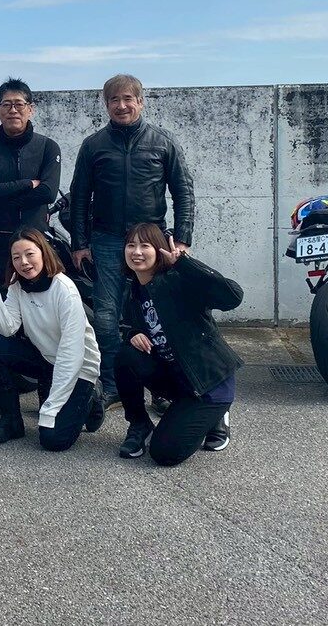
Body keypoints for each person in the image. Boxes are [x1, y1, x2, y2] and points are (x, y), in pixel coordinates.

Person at [68, 74, 194, 407]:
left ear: (140, 101)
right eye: (114, 100)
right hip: (107, 240)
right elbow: (79, 196)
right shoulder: (93, 145)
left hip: (152, 240)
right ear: (106, 104)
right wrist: (79, 243)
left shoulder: (163, 142)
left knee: (159, 315)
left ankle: (162, 388)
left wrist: (182, 238)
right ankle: (113, 386)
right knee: (106, 317)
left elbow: (183, 190)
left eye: (128, 99)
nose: (121, 106)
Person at [0, 77, 61, 421]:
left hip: (36, 247)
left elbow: (47, 192)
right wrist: (25, 185)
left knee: (41, 316)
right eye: (6, 104)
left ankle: (47, 393)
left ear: (31, 108)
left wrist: (2, 190)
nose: (13, 110)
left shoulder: (48, 148)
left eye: (19, 104)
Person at [114, 222, 243, 465]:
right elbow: (132, 324)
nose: (136, 252)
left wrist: (185, 264)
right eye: (131, 245)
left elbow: (233, 296)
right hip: (179, 381)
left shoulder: (178, 280)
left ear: (159, 250)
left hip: (209, 384)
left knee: (165, 454)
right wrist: (133, 333)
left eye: (145, 245)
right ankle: (140, 425)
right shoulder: (134, 290)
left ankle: (217, 415)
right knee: (126, 355)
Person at [0, 229, 104, 451]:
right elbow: (6, 328)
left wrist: (51, 407)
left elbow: (71, 354)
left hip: (78, 367)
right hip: (45, 358)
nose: (24, 262)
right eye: (16, 257)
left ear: (44, 253)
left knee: (53, 440)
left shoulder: (64, 290)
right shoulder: (18, 286)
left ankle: (92, 398)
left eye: (30, 254)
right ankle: (11, 421)